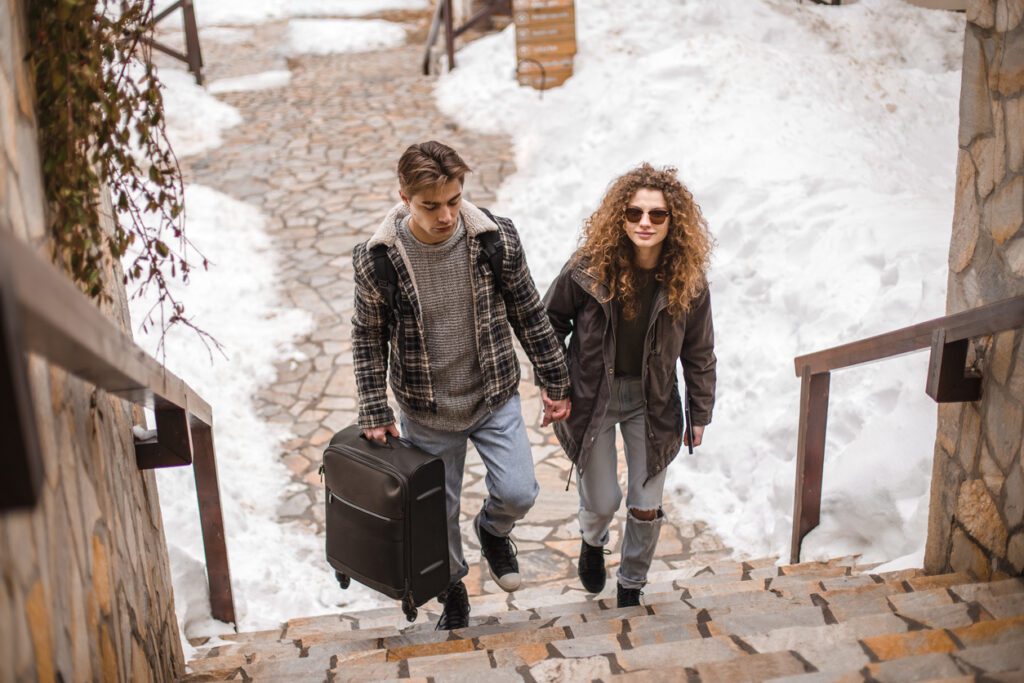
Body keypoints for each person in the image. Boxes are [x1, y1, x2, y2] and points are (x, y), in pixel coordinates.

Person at [351, 141, 571, 630]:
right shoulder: (379, 259)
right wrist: (374, 408)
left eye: (453, 200)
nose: (446, 215)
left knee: (519, 492)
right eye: (431, 205)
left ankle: (493, 531)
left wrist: (555, 378)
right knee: (436, 514)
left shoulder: (494, 239)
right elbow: (368, 337)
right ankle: (453, 588)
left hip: (493, 395)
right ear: (404, 196)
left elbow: (528, 312)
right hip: (427, 409)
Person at [543, 162, 716, 608]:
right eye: (635, 213)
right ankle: (592, 537)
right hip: (592, 398)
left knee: (645, 502)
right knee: (602, 500)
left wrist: (700, 413)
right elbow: (547, 323)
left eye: (657, 215)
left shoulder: (688, 281)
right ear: (620, 217)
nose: (645, 222)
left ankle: (632, 585)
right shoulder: (588, 268)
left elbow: (699, 352)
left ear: (673, 222)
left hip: (651, 401)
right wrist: (557, 384)